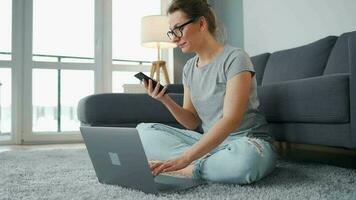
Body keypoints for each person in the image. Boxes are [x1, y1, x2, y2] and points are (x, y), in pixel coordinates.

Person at [136, 0, 277, 184]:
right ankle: (208, 164)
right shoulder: (189, 68)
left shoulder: (236, 58)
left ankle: (189, 168)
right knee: (143, 131)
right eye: (172, 31)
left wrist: (185, 159)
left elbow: (230, 120)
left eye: (178, 28)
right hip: (210, 143)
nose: (174, 38)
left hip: (246, 142)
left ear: (201, 24)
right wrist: (165, 99)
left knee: (246, 163)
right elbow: (191, 121)